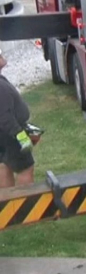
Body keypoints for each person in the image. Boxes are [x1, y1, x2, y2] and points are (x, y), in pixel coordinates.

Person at [0, 49, 38, 188]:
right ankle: (27, 205)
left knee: (4, 167)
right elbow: (4, 117)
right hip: (10, 136)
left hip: (3, 136)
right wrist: (20, 135)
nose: (2, 56)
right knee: (25, 169)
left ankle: (7, 205)